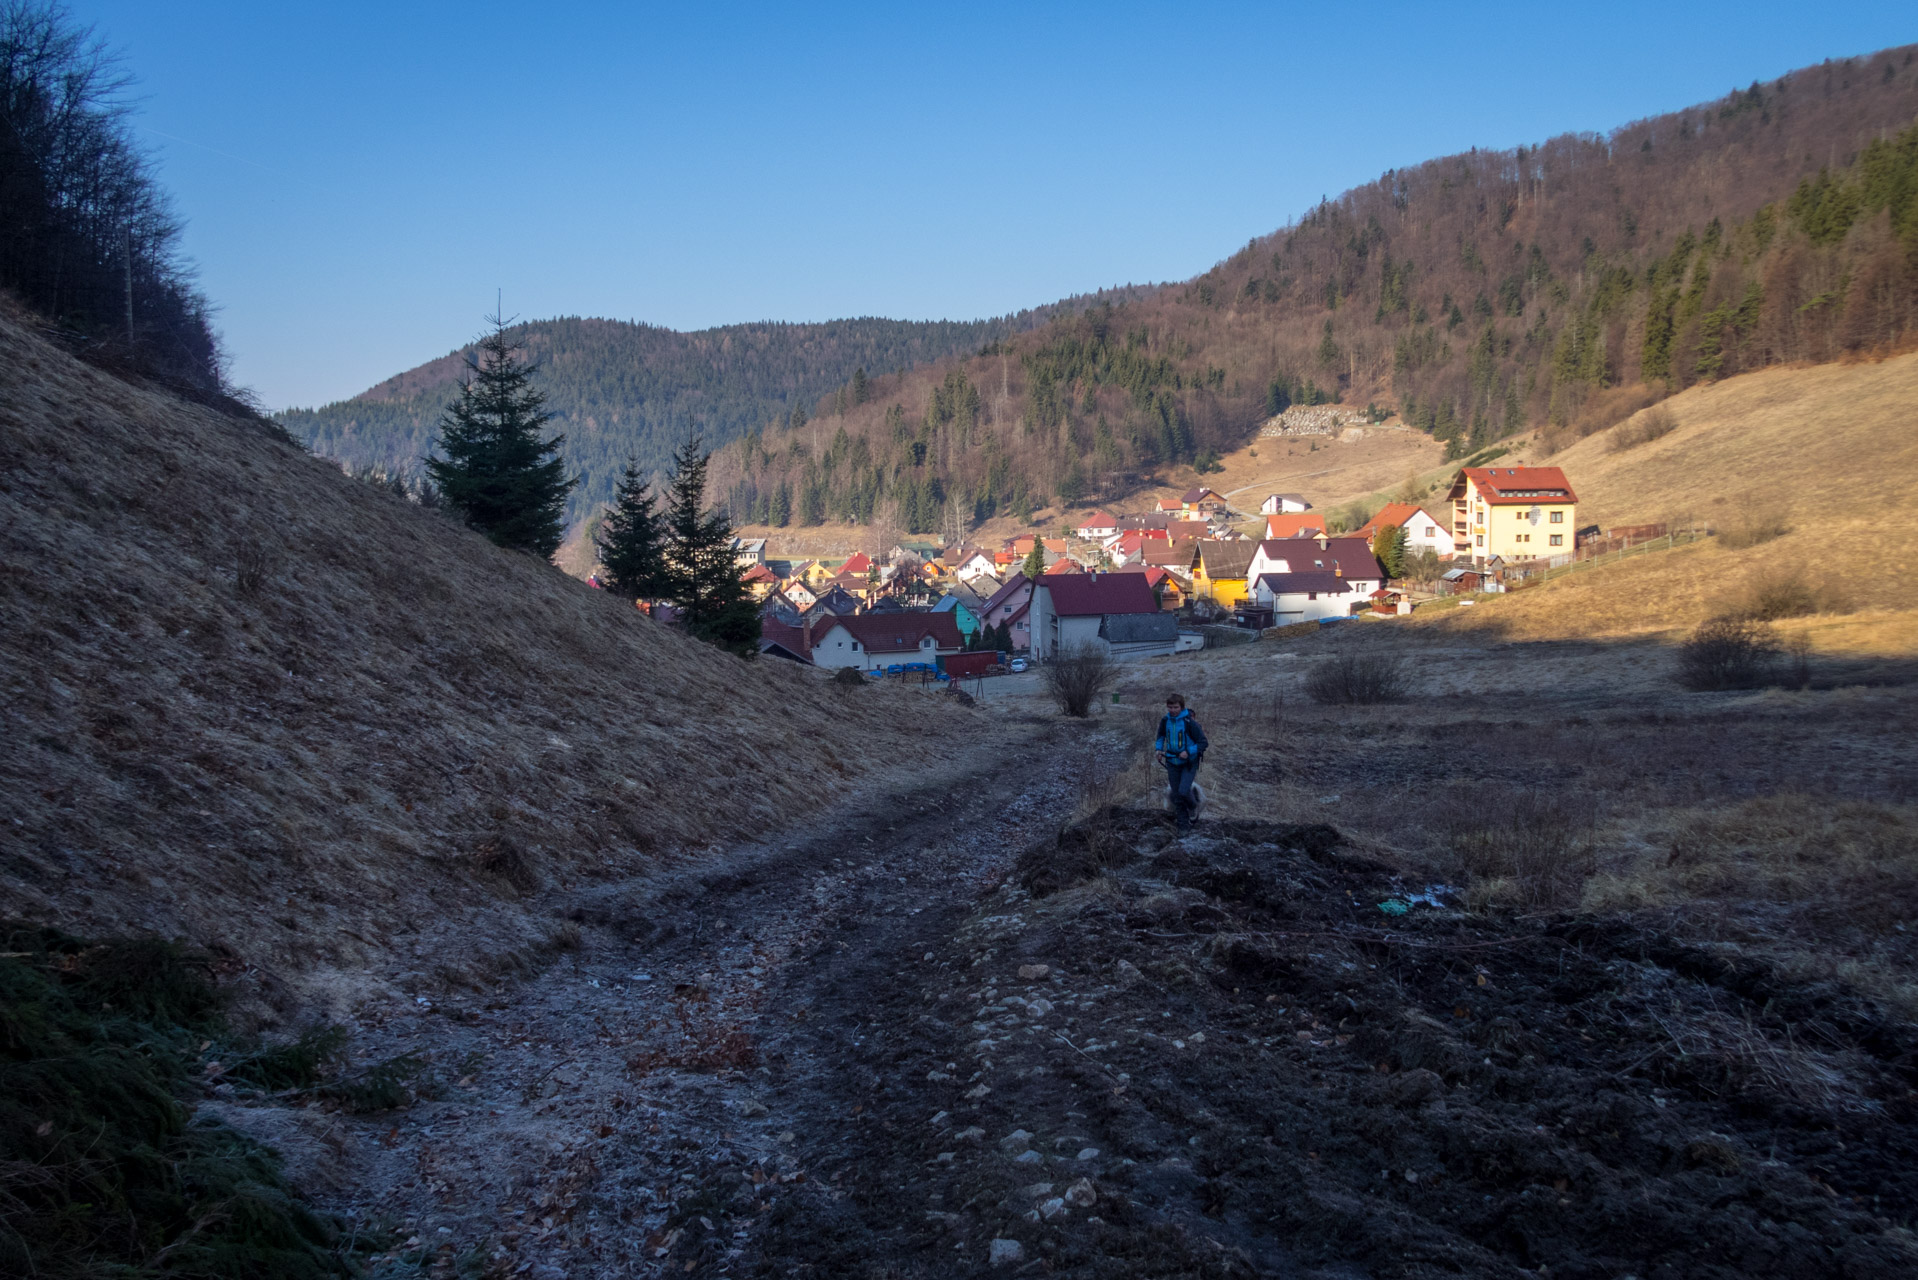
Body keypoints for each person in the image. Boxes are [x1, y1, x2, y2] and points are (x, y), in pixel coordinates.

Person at [1154, 693, 1209, 832]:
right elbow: (1160, 736)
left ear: (1182, 707)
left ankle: (1193, 806)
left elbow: (1203, 743)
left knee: (1183, 791)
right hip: (1172, 762)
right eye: (1170, 707)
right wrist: (1158, 750)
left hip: (1189, 763)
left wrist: (1188, 752)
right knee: (1177, 796)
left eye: (1176, 707)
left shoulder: (1189, 722)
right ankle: (1183, 827)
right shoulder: (1165, 720)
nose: (1172, 710)